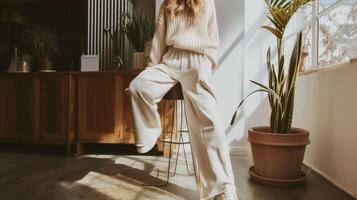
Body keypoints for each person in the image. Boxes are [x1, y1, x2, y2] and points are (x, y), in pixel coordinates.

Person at [128, 0, 238, 199]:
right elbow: (158, 41)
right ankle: (150, 134)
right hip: (171, 60)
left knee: (211, 124)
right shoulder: (167, 4)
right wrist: (153, 68)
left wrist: (207, 66)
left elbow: (213, 36)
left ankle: (224, 188)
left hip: (198, 62)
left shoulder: (206, 2)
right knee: (138, 87)